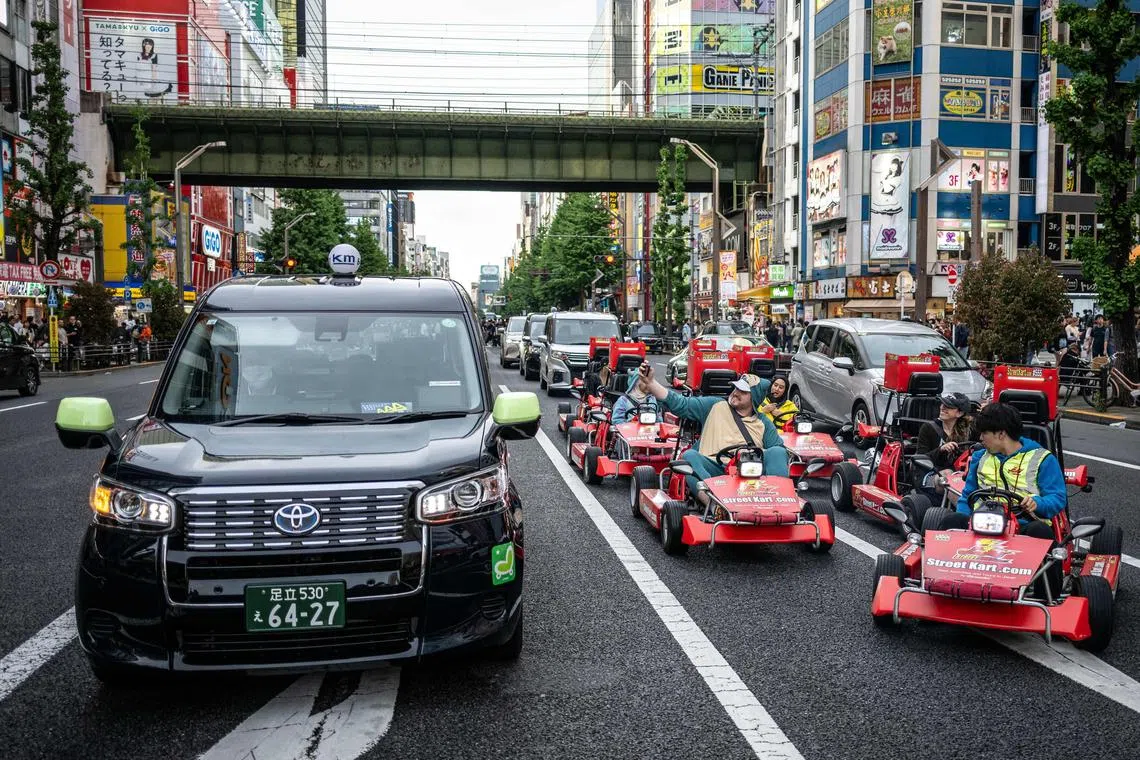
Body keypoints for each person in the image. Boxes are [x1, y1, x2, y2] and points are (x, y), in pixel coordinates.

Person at [639, 362, 789, 499]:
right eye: (736, 387)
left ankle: (780, 501)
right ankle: (714, 504)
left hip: (751, 473)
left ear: (754, 398)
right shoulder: (715, 406)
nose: (735, 392)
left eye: (743, 391)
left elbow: (778, 454)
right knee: (690, 456)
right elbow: (680, 404)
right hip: (716, 469)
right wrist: (651, 383)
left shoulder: (763, 423)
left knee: (778, 451)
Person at [948, 403, 1065, 542]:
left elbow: (1057, 497)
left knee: (1040, 531)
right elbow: (968, 495)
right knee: (952, 521)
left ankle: (1051, 563)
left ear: (1001, 434)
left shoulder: (1042, 459)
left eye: (984, 433)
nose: (980, 438)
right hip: (981, 522)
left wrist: (1037, 503)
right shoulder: (980, 457)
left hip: (1023, 525)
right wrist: (965, 524)